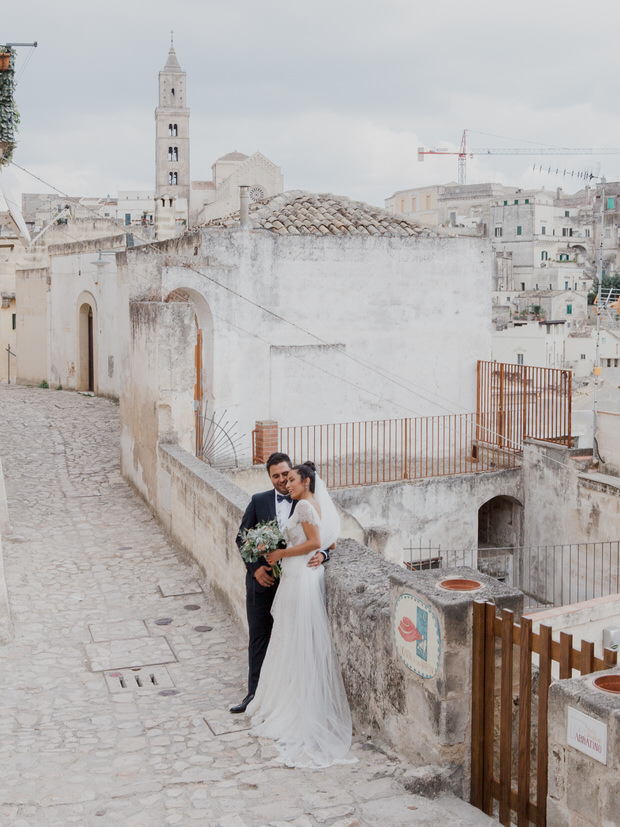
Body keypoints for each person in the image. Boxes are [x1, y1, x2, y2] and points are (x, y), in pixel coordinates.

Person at [246, 462, 354, 769]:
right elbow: (329, 540)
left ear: (306, 481)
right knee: (290, 639)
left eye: (292, 479)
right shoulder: (311, 504)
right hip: (300, 575)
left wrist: (281, 553)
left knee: (292, 639)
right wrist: (320, 553)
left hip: (299, 578)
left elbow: (315, 542)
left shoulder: (305, 506)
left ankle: (293, 707)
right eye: (284, 479)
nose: (287, 484)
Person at [230, 453, 329, 714]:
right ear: (270, 477)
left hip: (294, 582)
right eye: (276, 476)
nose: (283, 480)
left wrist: (323, 554)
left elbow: (324, 536)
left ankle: (287, 698)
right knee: (259, 639)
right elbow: (241, 538)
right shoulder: (258, 501)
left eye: (286, 474)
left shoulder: (305, 502)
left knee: (289, 640)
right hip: (263, 583)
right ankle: (254, 695)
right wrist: (255, 570)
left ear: (293, 472)